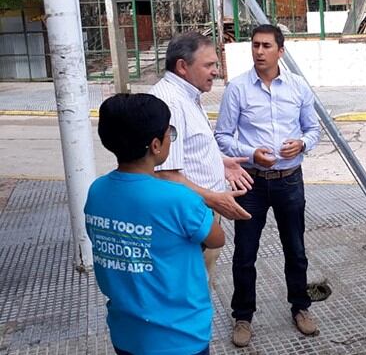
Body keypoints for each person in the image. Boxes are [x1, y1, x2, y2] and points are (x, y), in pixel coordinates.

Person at [84, 93, 225, 355]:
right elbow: (217, 238)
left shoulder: (97, 190)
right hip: (181, 337)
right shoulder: (179, 199)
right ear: (156, 145)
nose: (171, 137)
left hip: (126, 334)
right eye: (168, 132)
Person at [215, 24, 321, 347]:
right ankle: (243, 316)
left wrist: (301, 145)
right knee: (245, 252)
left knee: (296, 249)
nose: (259, 52)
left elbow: (313, 130)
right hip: (251, 182)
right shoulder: (237, 89)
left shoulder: (299, 87)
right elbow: (221, 137)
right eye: (255, 45)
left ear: (280, 51)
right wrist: (251, 155)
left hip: (289, 180)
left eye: (266, 46)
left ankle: (300, 307)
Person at [150, 31, 252, 288]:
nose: (216, 71)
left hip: (199, 213)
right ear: (183, 66)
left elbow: (188, 148)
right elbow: (165, 175)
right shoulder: (170, 102)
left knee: (200, 283)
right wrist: (215, 199)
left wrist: (219, 161)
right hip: (188, 217)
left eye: (215, 64)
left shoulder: (188, 95)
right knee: (189, 289)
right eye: (209, 65)